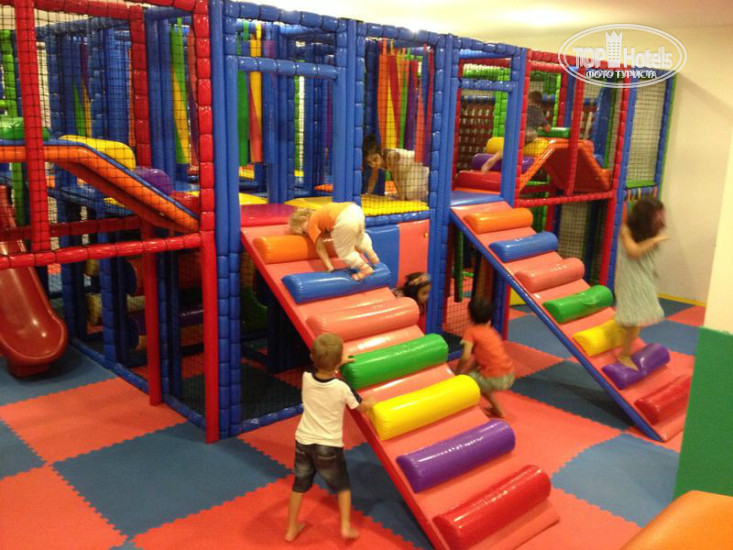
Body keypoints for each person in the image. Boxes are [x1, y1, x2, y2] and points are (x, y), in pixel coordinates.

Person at [285, 333, 375, 542]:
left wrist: (334, 362)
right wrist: (370, 403)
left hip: (303, 441)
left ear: (312, 356)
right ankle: (345, 527)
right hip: (328, 446)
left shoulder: (306, 378)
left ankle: (291, 528)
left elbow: (321, 369)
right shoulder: (342, 388)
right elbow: (361, 407)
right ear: (336, 363)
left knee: (299, 485)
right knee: (342, 487)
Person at [614, 197, 668, 369]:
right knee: (634, 317)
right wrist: (653, 240)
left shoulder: (651, 229)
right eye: (657, 214)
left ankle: (627, 333)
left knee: (640, 315)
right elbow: (634, 252)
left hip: (644, 276)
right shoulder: (626, 230)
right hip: (630, 278)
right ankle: (624, 355)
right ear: (645, 215)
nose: (661, 217)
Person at [289, 202, 380, 281]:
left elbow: (320, 248)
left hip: (343, 219)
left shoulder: (311, 224)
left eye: (303, 232)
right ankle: (371, 254)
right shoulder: (319, 214)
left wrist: (329, 267)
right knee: (359, 237)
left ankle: (365, 269)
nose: (306, 234)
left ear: (304, 219)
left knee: (344, 251)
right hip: (355, 209)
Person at [455, 298, 514, 418]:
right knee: (475, 377)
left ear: (469, 316)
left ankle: (461, 408)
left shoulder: (471, 332)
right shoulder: (491, 331)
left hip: (495, 379)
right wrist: (466, 372)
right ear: (489, 318)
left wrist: (458, 372)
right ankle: (497, 409)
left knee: (466, 382)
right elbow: (480, 359)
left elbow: (465, 357)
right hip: (509, 375)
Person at [480, 90, 551, 173]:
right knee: (520, 145)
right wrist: (543, 127)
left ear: (530, 100)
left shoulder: (522, 109)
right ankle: (499, 161)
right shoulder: (538, 112)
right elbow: (547, 128)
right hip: (530, 133)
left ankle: (493, 159)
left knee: (510, 148)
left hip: (517, 132)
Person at [363, 135, 429, 201]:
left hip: (416, 164)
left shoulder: (391, 156)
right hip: (405, 171)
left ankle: (427, 196)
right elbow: (373, 178)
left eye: (375, 159)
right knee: (405, 194)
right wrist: (368, 193)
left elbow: (397, 179)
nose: (373, 164)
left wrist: (401, 198)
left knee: (410, 195)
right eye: (369, 163)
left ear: (381, 153)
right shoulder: (377, 162)